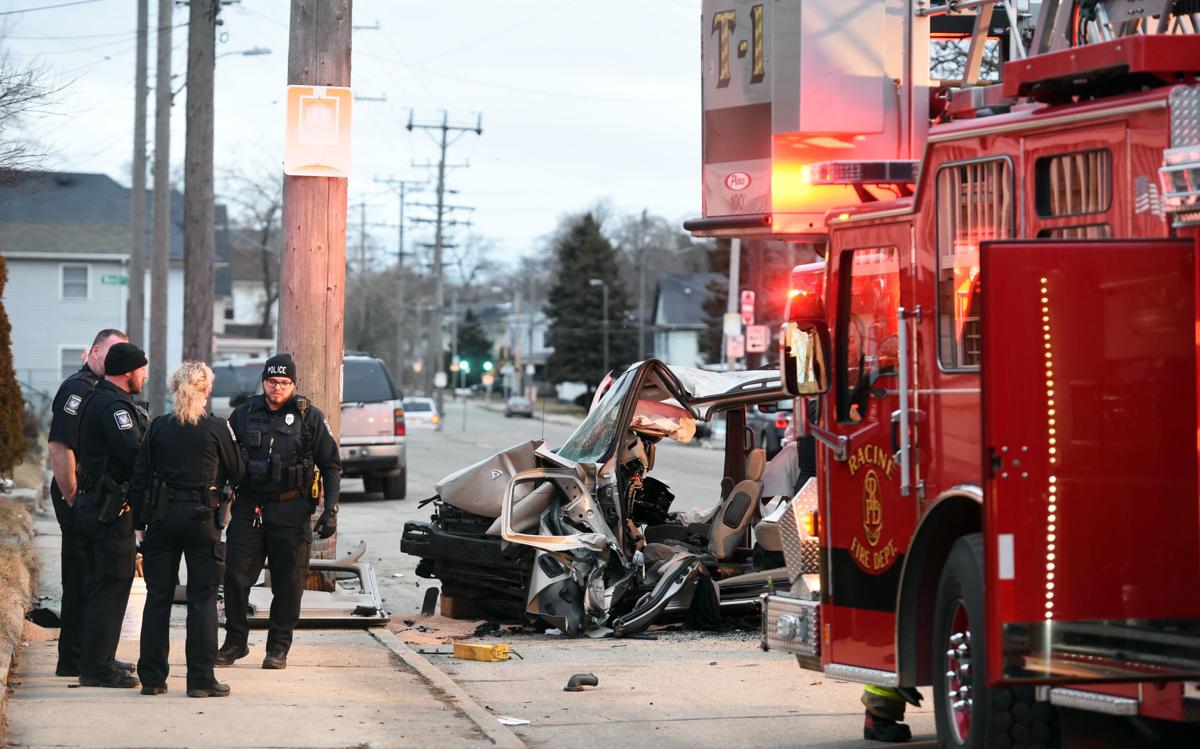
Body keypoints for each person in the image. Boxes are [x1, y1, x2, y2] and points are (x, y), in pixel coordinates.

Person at [217, 353, 341, 670]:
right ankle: (235, 642)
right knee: (235, 576)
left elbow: (331, 465)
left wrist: (331, 510)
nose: (278, 388)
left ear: (293, 384)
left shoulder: (309, 417)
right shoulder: (243, 415)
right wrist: (216, 501)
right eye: (272, 381)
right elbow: (223, 461)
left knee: (289, 583)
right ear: (264, 381)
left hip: (292, 509)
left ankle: (278, 648)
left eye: (285, 383)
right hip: (250, 507)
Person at [131, 362, 244, 697]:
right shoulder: (217, 428)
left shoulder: (158, 427)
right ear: (206, 389)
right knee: (203, 600)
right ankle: (200, 680)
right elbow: (238, 471)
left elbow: (140, 476)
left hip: (161, 520)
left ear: (172, 388)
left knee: (158, 598)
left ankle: (152, 679)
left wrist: (139, 523)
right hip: (202, 520)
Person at [45, 328, 131, 678]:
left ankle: (90, 655)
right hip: (77, 493)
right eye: (109, 353)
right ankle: (74, 658)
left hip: (92, 495)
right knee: (80, 575)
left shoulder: (102, 392)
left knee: (94, 576)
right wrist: (73, 498)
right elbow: (59, 447)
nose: (113, 361)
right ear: (95, 352)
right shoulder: (77, 389)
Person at [73, 341, 149, 688]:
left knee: (103, 584)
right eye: (142, 370)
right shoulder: (115, 407)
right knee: (112, 583)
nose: (144, 377)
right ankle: (96, 669)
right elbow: (133, 454)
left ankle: (99, 658)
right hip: (108, 507)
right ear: (129, 372)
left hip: (94, 500)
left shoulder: (96, 396)